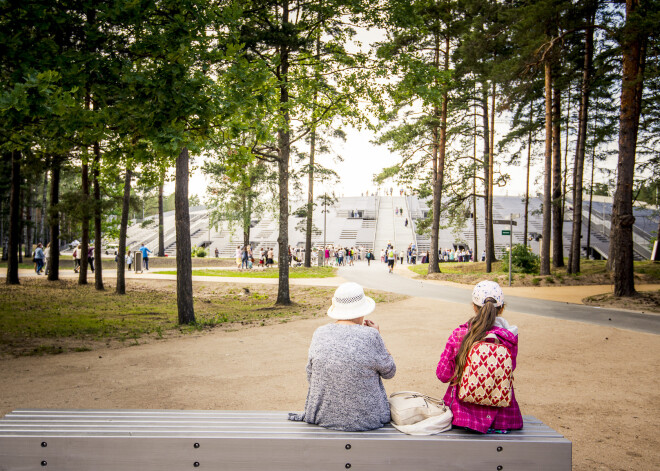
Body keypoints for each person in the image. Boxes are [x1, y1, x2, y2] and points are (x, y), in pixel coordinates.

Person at [289, 282, 395, 431]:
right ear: (362, 310)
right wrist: (378, 336)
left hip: (323, 416)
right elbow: (390, 372)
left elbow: (311, 375)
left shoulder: (320, 333)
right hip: (368, 418)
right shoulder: (371, 335)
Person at [436, 281, 523, 434]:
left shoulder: (460, 334)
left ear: (474, 307)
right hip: (503, 419)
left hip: (462, 417)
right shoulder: (508, 338)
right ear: (501, 308)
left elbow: (443, 374)